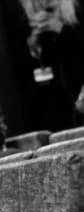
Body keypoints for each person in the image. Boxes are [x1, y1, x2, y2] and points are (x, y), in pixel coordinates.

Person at [20, 0, 84, 130]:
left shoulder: (76, 9)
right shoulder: (31, 19)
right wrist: (34, 46)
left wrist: (60, 28)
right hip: (56, 94)